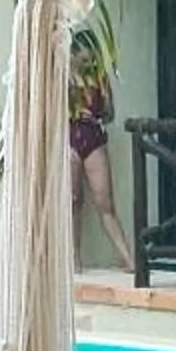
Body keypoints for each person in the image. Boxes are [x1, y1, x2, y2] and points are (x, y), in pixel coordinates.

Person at [69, 28, 134, 271]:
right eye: (85, 58)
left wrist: (94, 112)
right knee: (73, 200)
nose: (89, 62)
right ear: (74, 53)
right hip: (68, 135)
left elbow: (110, 113)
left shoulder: (99, 77)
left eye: (92, 58)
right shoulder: (63, 75)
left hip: (93, 135)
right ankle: (74, 259)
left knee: (104, 200)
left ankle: (127, 258)